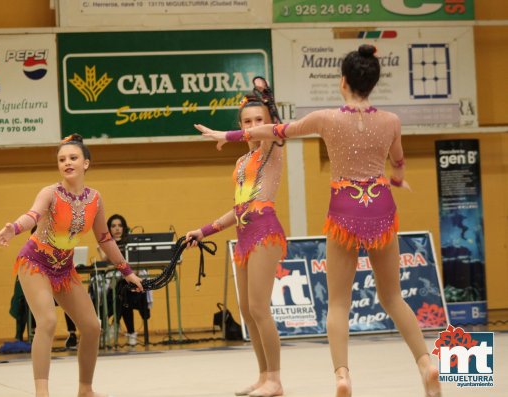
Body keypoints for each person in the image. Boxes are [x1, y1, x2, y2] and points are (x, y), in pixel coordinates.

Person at [195, 45, 441, 397]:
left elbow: (278, 131)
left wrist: (230, 135)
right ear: (372, 84)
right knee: (393, 297)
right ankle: (425, 363)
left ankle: (342, 375)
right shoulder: (391, 121)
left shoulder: (326, 118)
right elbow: (398, 162)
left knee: (339, 302)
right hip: (382, 208)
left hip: (345, 210)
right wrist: (398, 179)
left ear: (343, 82)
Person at [0, 134, 143, 397]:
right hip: (35, 263)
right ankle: (42, 392)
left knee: (92, 326)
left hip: (64, 269)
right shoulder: (50, 193)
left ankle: (85, 389)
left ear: (86, 163)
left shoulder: (95, 199)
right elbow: (33, 215)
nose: (67, 163)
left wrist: (127, 271)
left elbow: (105, 238)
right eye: (62, 159)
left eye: (73, 158)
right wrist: (14, 228)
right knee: (48, 321)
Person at [186, 77, 287, 397]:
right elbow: (238, 208)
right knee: (246, 310)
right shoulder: (242, 162)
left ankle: (276, 379)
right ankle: (263, 375)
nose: (254, 126)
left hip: (265, 232)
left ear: (268, 122)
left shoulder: (273, 146)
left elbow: (275, 128)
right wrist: (203, 231)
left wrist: (268, 101)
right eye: (247, 122)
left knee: (259, 307)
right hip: (244, 233)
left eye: (259, 120)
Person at [96, 214, 152, 347]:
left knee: (123, 291)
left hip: (130, 286)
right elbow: (105, 262)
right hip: (113, 285)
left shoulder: (131, 243)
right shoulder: (107, 244)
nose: (117, 229)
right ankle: (130, 332)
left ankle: (115, 323)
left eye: (120, 225)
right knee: (122, 295)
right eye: (113, 226)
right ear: (109, 228)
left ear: (124, 227)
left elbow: (134, 267)